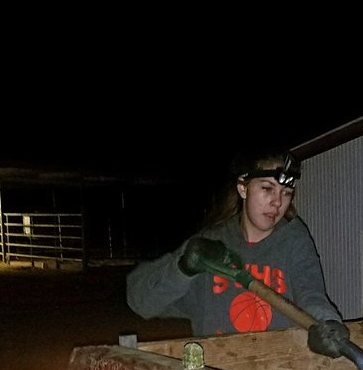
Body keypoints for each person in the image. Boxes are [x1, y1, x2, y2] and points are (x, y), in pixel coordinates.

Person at [126, 151, 351, 357]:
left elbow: (311, 294)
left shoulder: (294, 240)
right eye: (267, 188)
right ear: (243, 188)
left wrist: (328, 323)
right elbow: (141, 302)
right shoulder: (210, 246)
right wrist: (182, 267)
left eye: (286, 192)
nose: (277, 202)